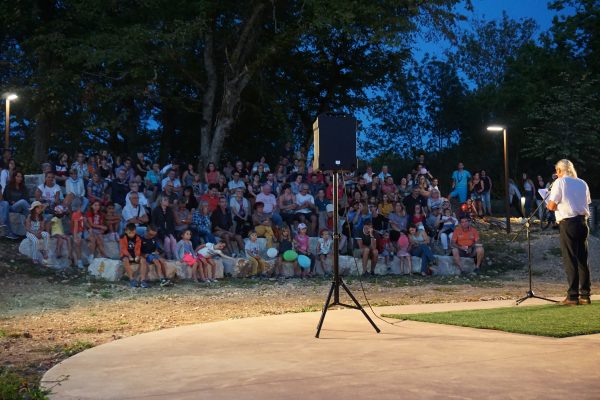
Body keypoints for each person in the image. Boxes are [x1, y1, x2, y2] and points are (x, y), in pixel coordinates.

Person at [547, 159, 592, 305]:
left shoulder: (559, 183)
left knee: (570, 259)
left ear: (560, 170)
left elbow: (552, 205)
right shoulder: (582, 182)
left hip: (568, 223)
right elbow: (586, 202)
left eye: (557, 171)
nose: (556, 173)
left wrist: (549, 203)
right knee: (582, 259)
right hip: (583, 222)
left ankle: (572, 296)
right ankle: (585, 295)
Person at [120, 222, 150, 288]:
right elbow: (123, 248)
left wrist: (137, 256)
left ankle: (143, 280)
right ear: (126, 231)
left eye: (133, 232)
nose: (131, 235)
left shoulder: (138, 237)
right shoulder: (122, 237)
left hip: (134, 255)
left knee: (143, 260)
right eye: (129, 233)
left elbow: (137, 248)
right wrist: (129, 256)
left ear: (135, 231)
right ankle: (132, 279)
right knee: (125, 260)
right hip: (126, 255)